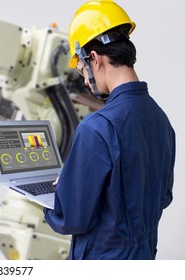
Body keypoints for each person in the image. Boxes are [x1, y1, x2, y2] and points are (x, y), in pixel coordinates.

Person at [43, 0, 176, 259]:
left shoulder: (97, 128)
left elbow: (71, 218)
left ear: (94, 58)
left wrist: (60, 193)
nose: (84, 79)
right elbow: (164, 197)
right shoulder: (161, 119)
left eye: (82, 69)